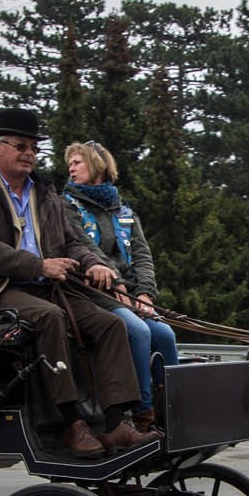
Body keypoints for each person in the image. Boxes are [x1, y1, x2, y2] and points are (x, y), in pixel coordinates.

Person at [0, 108, 157, 458]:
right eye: (20, 145)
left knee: (110, 324)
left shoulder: (45, 194)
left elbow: (72, 241)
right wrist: (38, 265)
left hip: (52, 286)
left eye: (33, 147)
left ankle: (114, 423)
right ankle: (70, 423)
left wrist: (94, 262)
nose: (29, 153)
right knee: (49, 318)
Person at [62, 139, 179, 430]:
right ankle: (143, 413)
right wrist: (117, 284)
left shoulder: (124, 212)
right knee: (138, 331)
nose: (71, 169)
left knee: (164, 334)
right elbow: (85, 246)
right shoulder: (67, 207)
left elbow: (142, 255)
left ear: (96, 164)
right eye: (69, 164)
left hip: (128, 293)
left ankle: (175, 406)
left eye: (77, 162)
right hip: (93, 292)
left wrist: (145, 293)